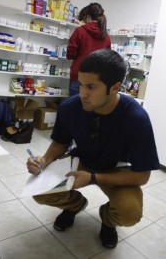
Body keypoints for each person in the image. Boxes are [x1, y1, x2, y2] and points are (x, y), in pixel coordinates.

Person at [27, 49, 160, 249]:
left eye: (91, 87)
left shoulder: (136, 118)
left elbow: (142, 177)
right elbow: (60, 143)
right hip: (82, 160)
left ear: (115, 87)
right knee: (40, 191)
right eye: (80, 85)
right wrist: (43, 161)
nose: (82, 94)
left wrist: (93, 178)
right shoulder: (70, 107)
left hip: (116, 168)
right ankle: (75, 205)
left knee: (129, 212)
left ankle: (108, 221)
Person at [67, 2, 111, 96]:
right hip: (97, 80)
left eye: (83, 19)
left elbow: (70, 54)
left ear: (87, 16)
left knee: (74, 108)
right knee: (91, 109)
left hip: (79, 77)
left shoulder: (80, 31)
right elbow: (108, 59)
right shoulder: (106, 36)